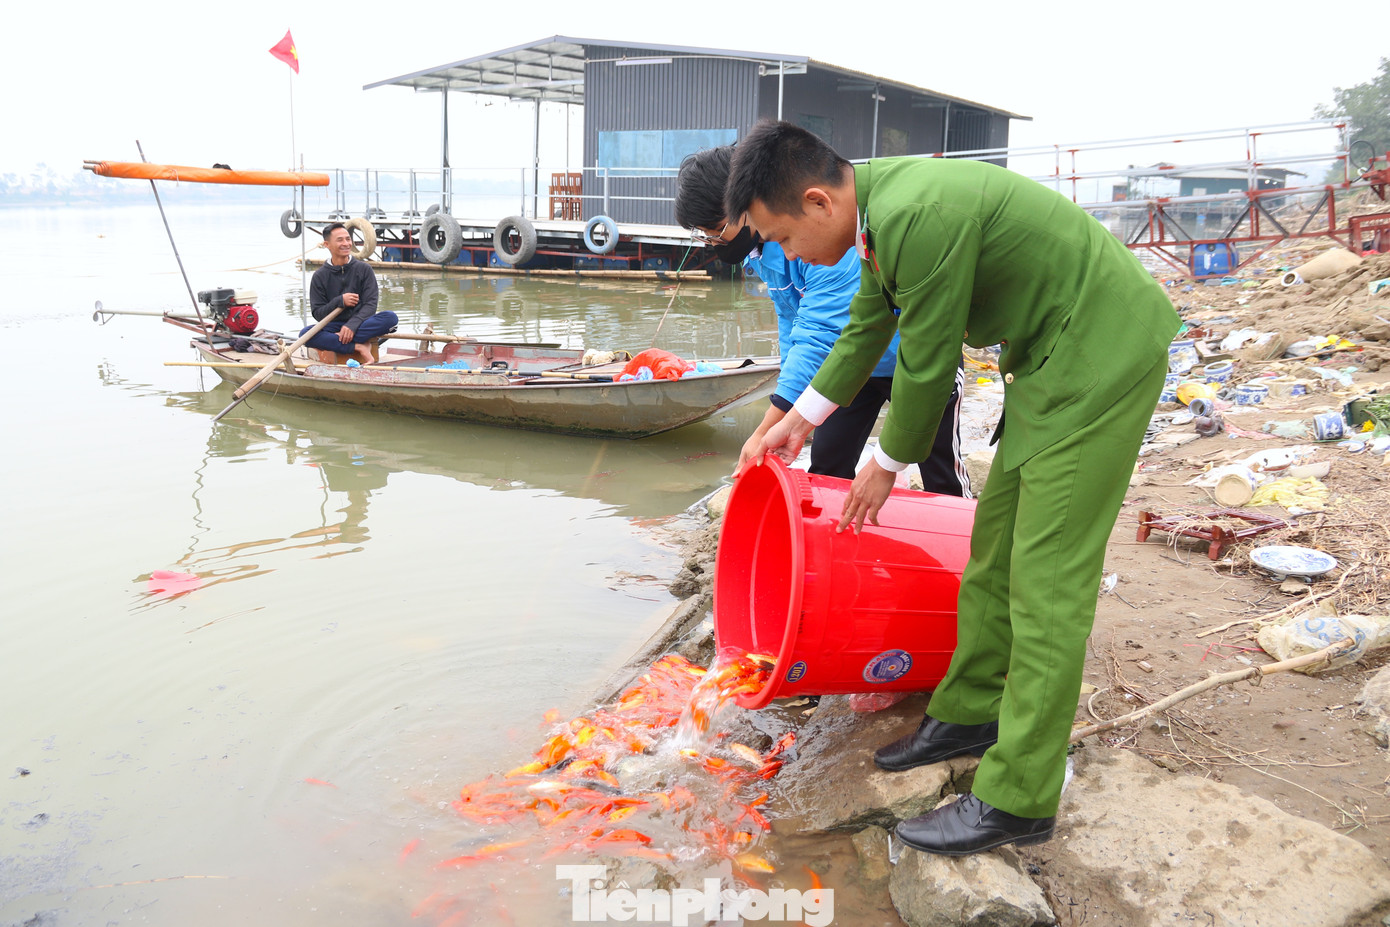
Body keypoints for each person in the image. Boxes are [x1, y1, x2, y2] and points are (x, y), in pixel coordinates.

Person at [726, 120, 1179, 856]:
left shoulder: (917, 213)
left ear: (815, 202)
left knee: (1047, 579)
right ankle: (972, 708)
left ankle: (1020, 794)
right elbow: (866, 325)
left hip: (1099, 351)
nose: (787, 255)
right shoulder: (877, 211)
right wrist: (798, 419)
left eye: (779, 239)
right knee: (994, 547)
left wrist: (886, 460)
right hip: (1047, 356)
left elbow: (931, 360)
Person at [674, 146, 970, 496]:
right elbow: (793, 325)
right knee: (828, 464)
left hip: (913, 356)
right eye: (706, 235)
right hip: (850, 369)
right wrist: (790, 403)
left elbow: (820, 334)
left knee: (939, 467)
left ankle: (960, 533)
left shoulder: (824, 240)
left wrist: (765, 429)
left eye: (716, 230)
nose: (713, 243)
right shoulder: (764, 252)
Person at [304, 223, 398, 364]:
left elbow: (370, 305)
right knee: (305, 334)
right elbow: (318, 313)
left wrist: (351, 326)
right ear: (327, 244)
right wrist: (339, 301)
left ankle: (337, 340)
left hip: (361, 323)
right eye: (340, 240)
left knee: (390, 318)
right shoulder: (320, 276)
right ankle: (358, 345)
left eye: (348, 239)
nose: (346, 243)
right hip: (335, 325)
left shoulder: (364, 269)